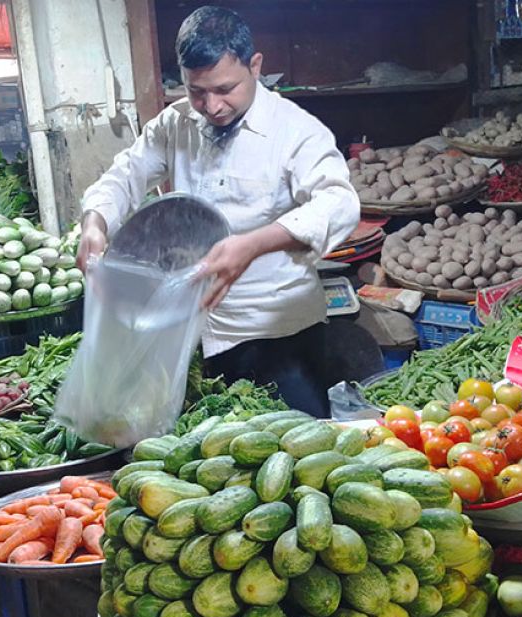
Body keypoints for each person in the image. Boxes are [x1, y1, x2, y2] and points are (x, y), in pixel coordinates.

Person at [77, 6, 359, 418]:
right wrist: (94, 224)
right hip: (194, 336)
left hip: (277, 338)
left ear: (255, 65)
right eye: (196, 91)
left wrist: (253, 245)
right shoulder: (175, 124)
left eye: (225, 88)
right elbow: (121, 178)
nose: (211, 105)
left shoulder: (295, 131)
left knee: (297, 459)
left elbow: (339, 203)